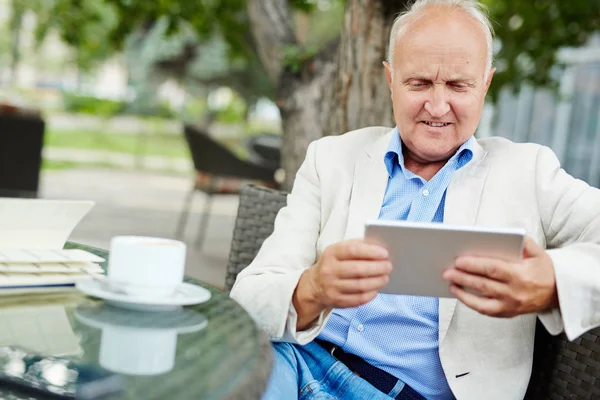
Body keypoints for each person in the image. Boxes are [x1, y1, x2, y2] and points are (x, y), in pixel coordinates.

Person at [230, 0, 600, 399]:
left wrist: (554, 280)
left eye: (458, 85)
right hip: (297, 359)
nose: (437, 106)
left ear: (486, 84)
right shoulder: (331, 158)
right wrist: (311, 288)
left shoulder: (530, 173)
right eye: (419, 83)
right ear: (390, 79)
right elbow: (247, 298)